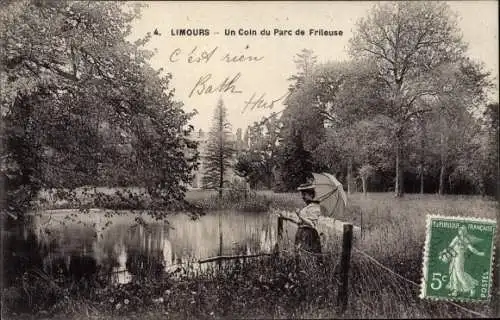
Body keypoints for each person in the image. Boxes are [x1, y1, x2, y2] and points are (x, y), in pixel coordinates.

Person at [441, 225, 484, 297]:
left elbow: (471, 249)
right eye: (460, 230)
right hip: (454, 257)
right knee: (453, 273)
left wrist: (479, 253)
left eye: (462, 230)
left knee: (459, 274)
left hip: (460, 258)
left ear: (465, 231)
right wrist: (447, 252)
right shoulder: (456, 238)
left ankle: (471, 288)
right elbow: (450, 246)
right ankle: (455, 291)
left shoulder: (466, 240)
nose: (461, 232)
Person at [279, 182, 322, 254]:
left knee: (307, 255)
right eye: (302, 194)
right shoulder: (308, 207)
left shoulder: (315, 207)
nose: (302, 197)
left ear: (311, 195)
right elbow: (300, 222)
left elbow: (312, 224)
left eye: (304, 194)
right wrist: (286, 217)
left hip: (309, 235)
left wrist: (299, 215)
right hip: (302, 233)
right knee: (300, 255)